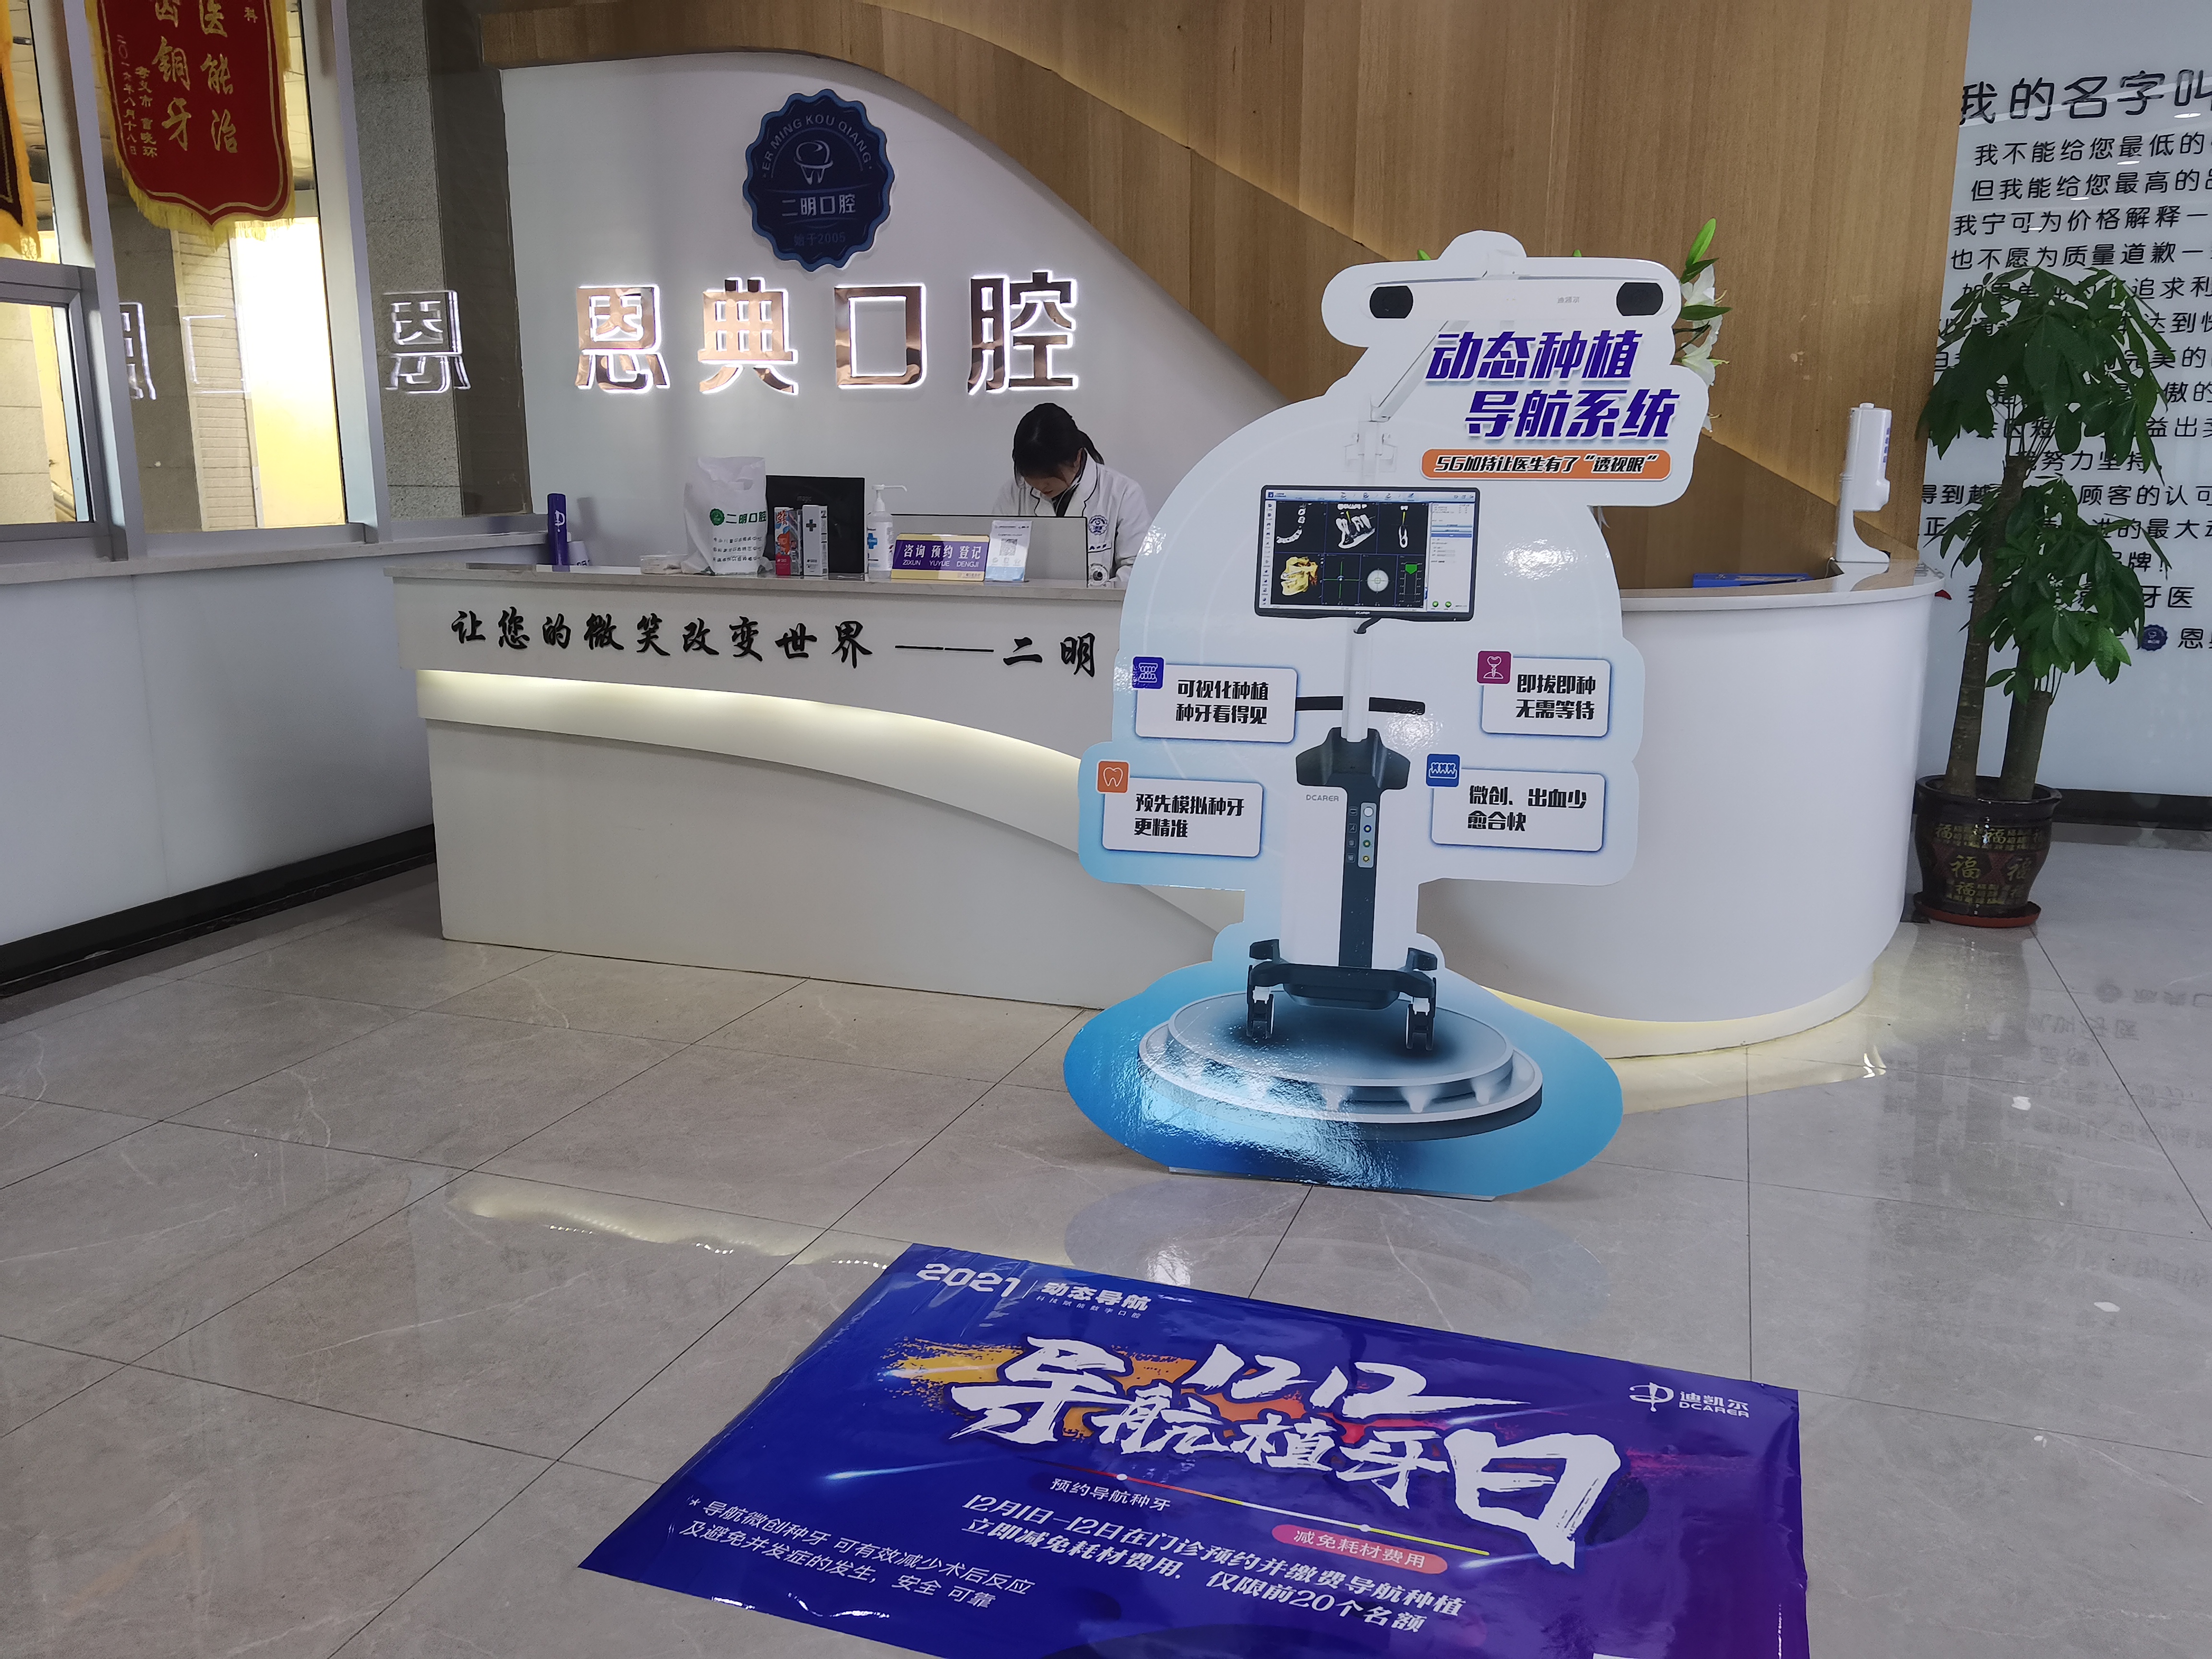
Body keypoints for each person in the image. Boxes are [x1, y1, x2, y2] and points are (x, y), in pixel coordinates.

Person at [992, 403, 1152, 585]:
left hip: (1100, 603)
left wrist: (1089, 597)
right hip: (1029, 602)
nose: (1040, 486)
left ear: (1077, 458)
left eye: (1048, 477)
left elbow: (1136, 570)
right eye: (1030, 477)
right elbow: (999, 564)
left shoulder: (1123, 493)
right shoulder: (1013, 494)